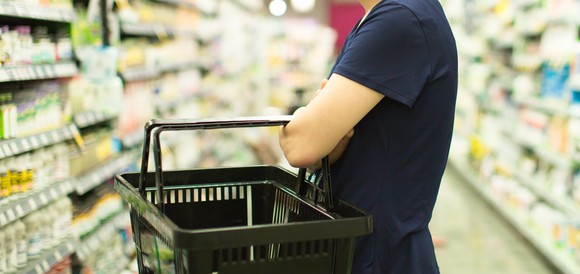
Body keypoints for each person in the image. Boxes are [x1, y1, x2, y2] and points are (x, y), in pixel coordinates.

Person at [278, 0, 458, 273]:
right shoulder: (380, 18)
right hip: (366, 244)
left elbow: (300, 145)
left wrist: (310, 115)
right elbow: (325, 151)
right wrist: (322, 128)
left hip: (377, 254)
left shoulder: (400, 18)